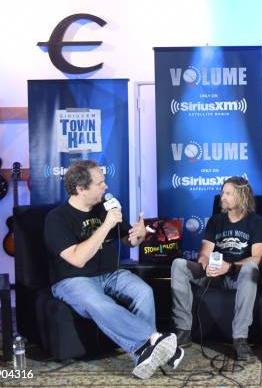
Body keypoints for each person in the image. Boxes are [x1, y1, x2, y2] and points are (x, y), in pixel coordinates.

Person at [44, 160, 183, 379]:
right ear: (80, 189)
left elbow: (129, 241)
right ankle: (156, 341)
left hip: (110, 274)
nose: (106, 187)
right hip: (72, 279)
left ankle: (144, 355)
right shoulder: (56, 219)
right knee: (99, 303)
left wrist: (138, 235)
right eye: (100, 183)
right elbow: (78, 259)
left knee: (143, 292)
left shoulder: (104, 207)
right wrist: (106, 225)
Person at [170, 176, 262, 360]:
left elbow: (258, 257)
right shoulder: (215, 221)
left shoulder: (256, 221)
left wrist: (229, 266)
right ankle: (183, 330)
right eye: (223, 192)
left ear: (242, 196)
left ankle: (240, 339)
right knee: (179, 264)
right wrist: (206, 265)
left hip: (238, 276)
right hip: (214, 275)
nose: (222, 197)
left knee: (252, 268)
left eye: (228, 193)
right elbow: (204, 253)